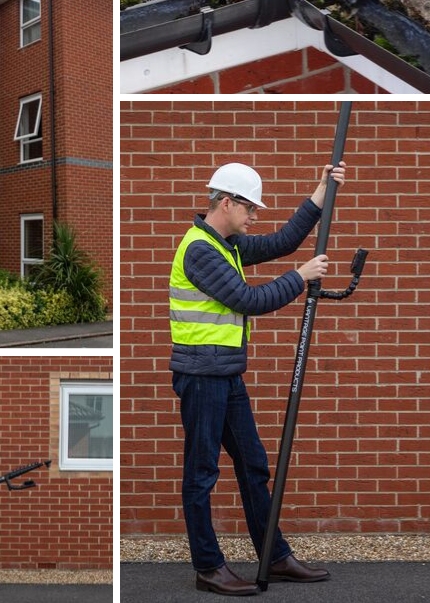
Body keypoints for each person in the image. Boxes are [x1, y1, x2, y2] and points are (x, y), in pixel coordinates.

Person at [169, 161, 345, 596]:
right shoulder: (200, 251)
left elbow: (282, 241)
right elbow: (247, 299)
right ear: (225, 203)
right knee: (202, 473)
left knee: (253, 465)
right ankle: (208, 567)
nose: (254, 217)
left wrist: (320, 194)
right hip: (201, 377)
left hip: (225, 375)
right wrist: (300, 278)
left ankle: (275, 556)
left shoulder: (225, 243)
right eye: (250, 209)